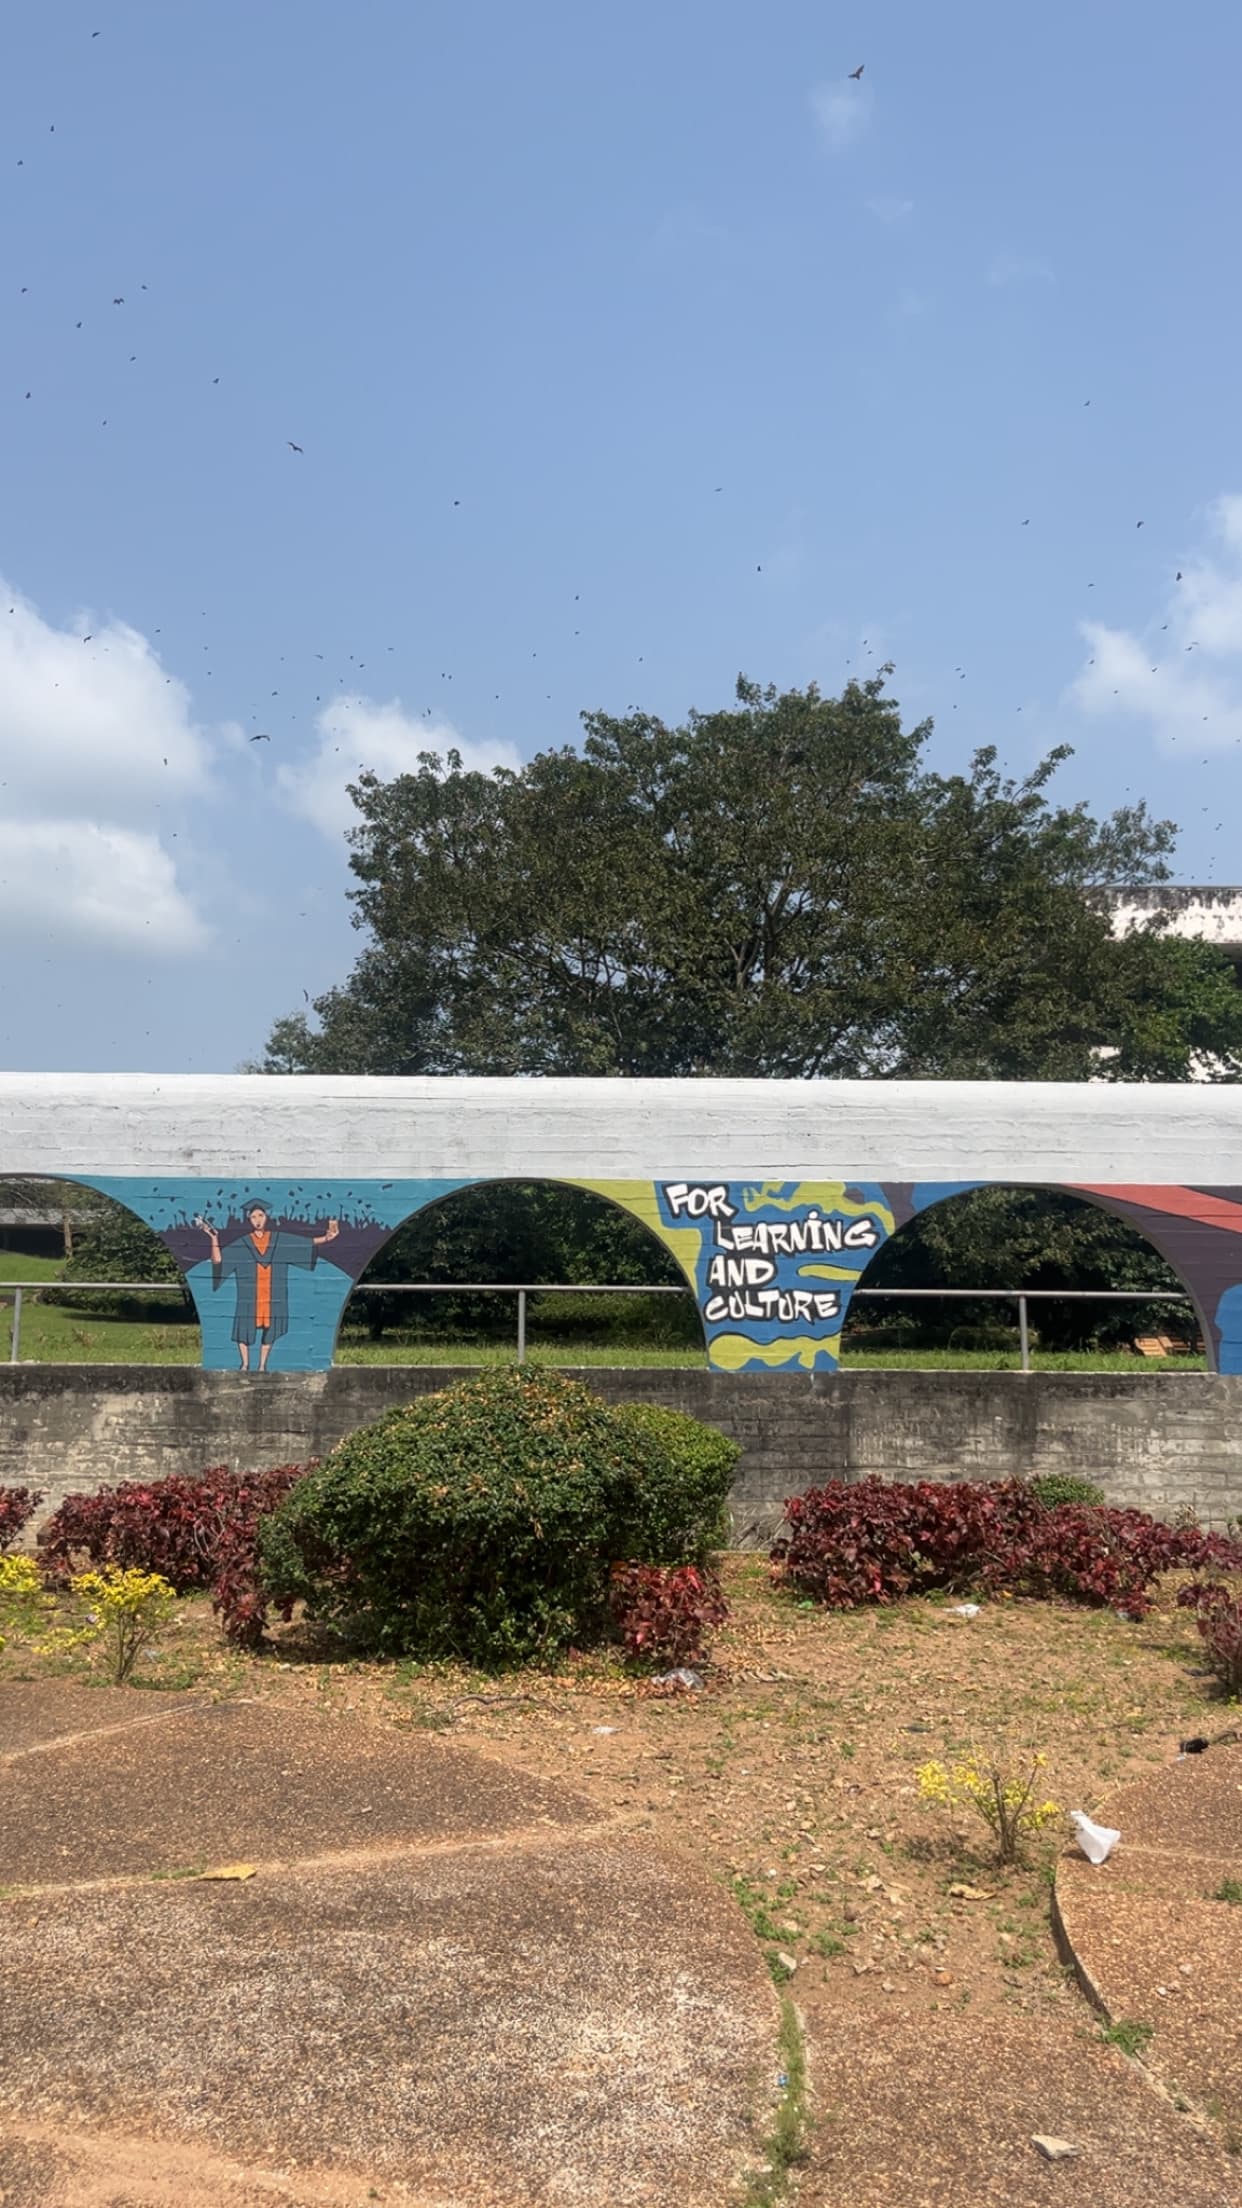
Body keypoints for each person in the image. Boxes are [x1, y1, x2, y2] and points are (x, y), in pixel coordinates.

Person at [192, 1203, 340, 1371]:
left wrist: (326, 1238)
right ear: (249, 1219)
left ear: (266, 1217)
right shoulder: (243, 1244)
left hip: (272, 1294)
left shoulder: (277, 1239)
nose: (258, 1220)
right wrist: (214, 1238)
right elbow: (218, 1261)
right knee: (243, 1327)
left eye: (260, 1216)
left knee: (271, 1328)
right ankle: (245, 1364)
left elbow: (302, 1244)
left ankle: (262, 1366)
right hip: (249, 1296)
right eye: (254, 1217)